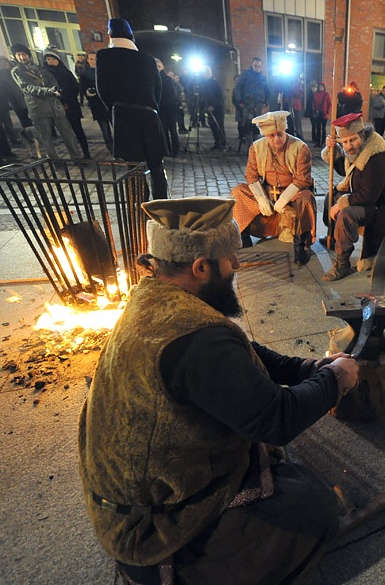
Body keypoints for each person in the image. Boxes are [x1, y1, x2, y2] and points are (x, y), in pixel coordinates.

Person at [79, 196, 359, 585]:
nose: (238, 264)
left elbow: (243, 353)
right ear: (200, 266)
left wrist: (306, 369)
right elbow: (276, 419)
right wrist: (335, 380)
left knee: (288, 477)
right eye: (230, 257)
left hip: (138, 494)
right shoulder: (196, 339)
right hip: (150, 525)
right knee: (315, 509)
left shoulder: (157, 299)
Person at [230, 111, 317, 265]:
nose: (276, 138)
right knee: (238, 192)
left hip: (294, 192)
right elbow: (251, 175)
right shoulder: (256, 148)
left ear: (285, 131)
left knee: (306, 199)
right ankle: (243, 236)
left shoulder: (300, 148)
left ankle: (300, 246)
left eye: (279, 134)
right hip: (268, 190)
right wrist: (262, 198)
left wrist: (283, 199)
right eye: (271, 135)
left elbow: (302, 179)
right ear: (265, 135)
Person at [96, 18, 169, 199]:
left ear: (111, 35)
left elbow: (102, 90)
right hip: (150, 116)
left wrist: (116, 110)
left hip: (125, 117)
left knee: (134, 168)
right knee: (156, 166)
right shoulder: (147, 60)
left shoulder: (104, 57)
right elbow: (157, 91)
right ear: (132, 39)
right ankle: (162, 206)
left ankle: (140, 208)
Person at [321, 112, 385, 281]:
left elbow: (368, 196)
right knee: (331, 196)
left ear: (362, 135)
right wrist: (332, 149)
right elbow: (344, 169)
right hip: (365, 200)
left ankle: (342, 263)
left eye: (352, 140)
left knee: (346, 214)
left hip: (380, 209)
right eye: (345, 142)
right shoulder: (360, 151)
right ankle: (334, 237)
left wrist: (341, 205)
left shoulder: (376, 158)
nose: (349, 146)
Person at [10, 43, 82, 160]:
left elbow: (53, 81)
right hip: (38, 108)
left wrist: (55, 90)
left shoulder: (40, 69)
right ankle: (55, 161)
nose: (22, 57)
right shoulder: (17, 71)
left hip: (55, 106)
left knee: (68, 134)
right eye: (18, 55)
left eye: (24, 54)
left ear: (28, 55)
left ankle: (77, 158)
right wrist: (48, 91)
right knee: (46, 138)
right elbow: (28, 87)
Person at [43, 48, 91, 158]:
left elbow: (75, 87)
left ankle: (86, 153)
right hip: (54, 107)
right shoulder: (44, 74)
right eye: (48, 59)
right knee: (66, 134)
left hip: (71, 106)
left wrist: (65, 98)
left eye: (53, 59)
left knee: (78, 130)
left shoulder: (65, 72)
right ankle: (75, 155)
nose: (51, 61)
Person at [80, 52, 113, 154]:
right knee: (105, 131)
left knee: (117, 129)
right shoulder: (85, 74)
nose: (93, 61)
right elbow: (83, 89)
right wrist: (88, 92)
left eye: (95, 59)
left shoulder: (104, 71)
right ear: (87, 60)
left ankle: (121, 149)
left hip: (109, 104)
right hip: (98, 105)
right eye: (91, 59)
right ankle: (112, 151)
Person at [233, 57, 270, 140]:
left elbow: (267, 90)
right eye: (255, 66)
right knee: (247, 125)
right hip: (247, 104)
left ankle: (256, 145)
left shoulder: (262, 78)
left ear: (261, 67)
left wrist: (266, 101)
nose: (256, 68)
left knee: (257, 126)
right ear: (252, 65)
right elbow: (237, 87)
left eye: (258, 66)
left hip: (258, 105)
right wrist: (240, 100)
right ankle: (249, 146)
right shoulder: (245, 75)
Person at [156, 58, 183, 157]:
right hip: (170, 109)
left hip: (163, 108)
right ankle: (175, 151)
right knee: (172, 131)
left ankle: (167, 150)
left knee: (165, 131)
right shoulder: (168, 79)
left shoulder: (159, 78)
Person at [199, 66, 226, 149]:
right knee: (212, 126)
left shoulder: (215, 84)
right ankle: (217, 142)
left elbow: (219, 97)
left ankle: (223, 143)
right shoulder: (204, 84)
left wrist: (213, 106)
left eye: (204, 73)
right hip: (209, 108)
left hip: (217, 108)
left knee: (219, 126)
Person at [310, 81, 331, 148]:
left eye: (322, 87)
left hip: (324, 114)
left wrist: (328, 112)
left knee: (323, 128)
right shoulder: (316, 94)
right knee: (318, 128)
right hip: (318, 113)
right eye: (320, 87)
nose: (321, 88)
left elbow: (329, 104)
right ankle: (318, 142)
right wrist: (314, 110)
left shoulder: (326, 94)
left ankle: (323, 142)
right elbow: (314, 103)